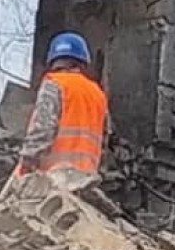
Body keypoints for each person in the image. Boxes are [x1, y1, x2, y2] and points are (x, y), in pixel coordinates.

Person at [18, 32, 109, 177]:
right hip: (87, 178)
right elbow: (104, 142)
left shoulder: (54, 84)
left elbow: (42, 130)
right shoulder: (98, 94)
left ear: (53, 61)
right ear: (83, 62)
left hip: (54, 178)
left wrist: (26, 165)